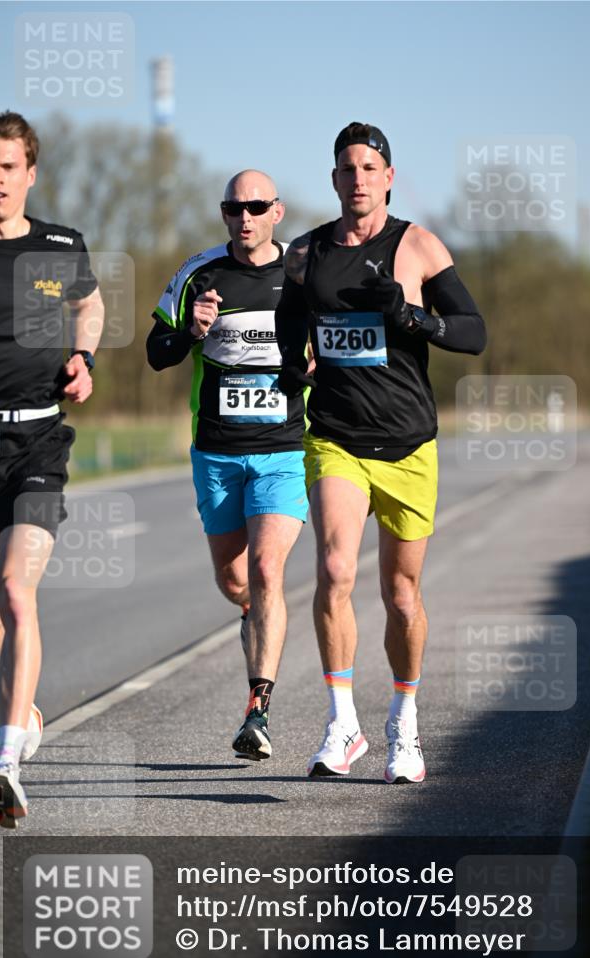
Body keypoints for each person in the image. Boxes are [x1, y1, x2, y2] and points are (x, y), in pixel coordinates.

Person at [276, 122, 486, 784]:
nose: (358, 179)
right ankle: (342, 723)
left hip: (407, 444)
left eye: (369, 168)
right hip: (335, 436)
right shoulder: (305, 253)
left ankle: (404, 722)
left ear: (388, 177)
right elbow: (288, 326)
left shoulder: (417, 246)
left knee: (400, 594)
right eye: (347, 168)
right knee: (334, 568)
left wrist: (412, 318)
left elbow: (473, 333)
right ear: (334, 179)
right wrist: (292, 366)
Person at [146, 171, 307, 762]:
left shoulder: (304, 274)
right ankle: (250, 612)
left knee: (267, 569)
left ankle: (257, 711)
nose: (245, 217)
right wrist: (192, 331)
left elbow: (334, 346)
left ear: (277, 212)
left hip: (285, 448)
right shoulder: (199, 272)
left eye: (257, 207)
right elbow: (155, 352)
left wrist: (314, 365)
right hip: (216, 450)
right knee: (236, 581)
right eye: (234, 208)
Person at [0, 110, 104, 827]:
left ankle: (5, 764)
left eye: (7, 167)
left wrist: (83, 358)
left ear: (30, 172)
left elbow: (90, 306)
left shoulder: (60, 247)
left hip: (34, 441)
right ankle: (23, 711)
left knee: (15, 588)